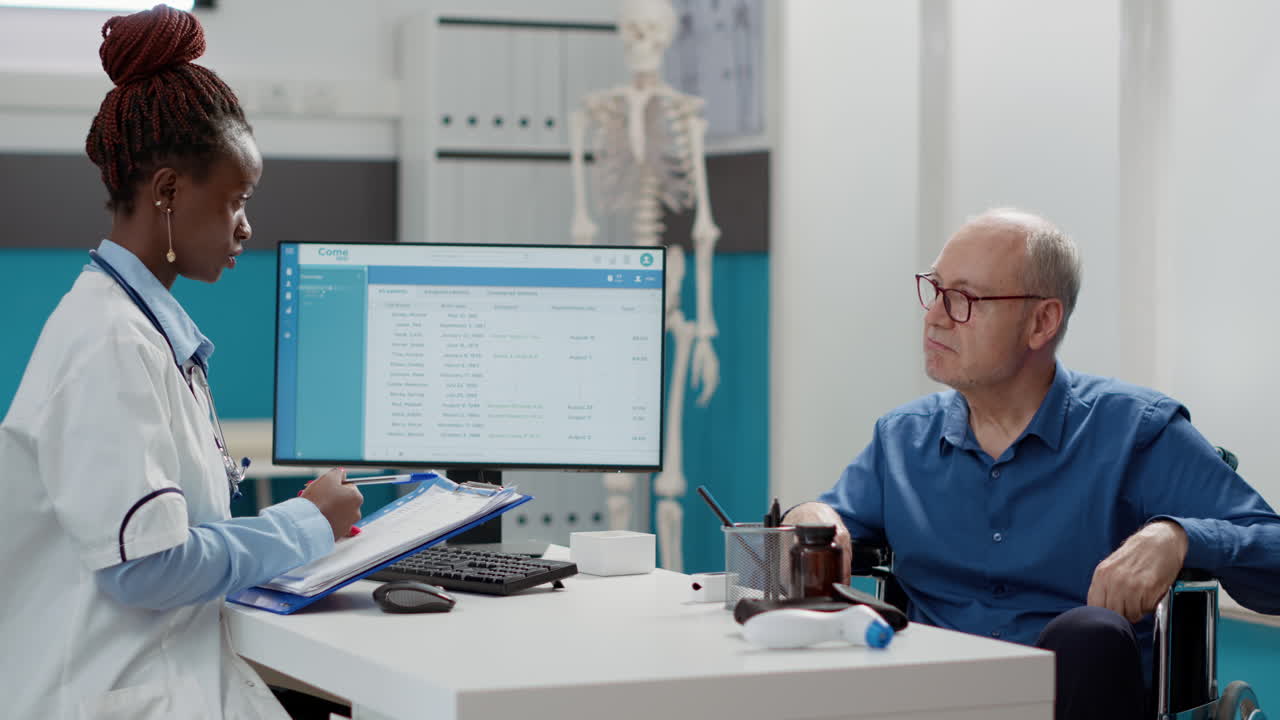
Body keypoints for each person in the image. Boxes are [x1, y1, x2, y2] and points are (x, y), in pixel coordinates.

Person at [0, 6, 363, 718]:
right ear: (168, 192)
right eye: (235, 200)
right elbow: (149, 568)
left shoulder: (141, 332)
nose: (246, 227)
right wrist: (305, 523)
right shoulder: (107, 344)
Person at [784, 208, 1280, 720]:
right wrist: (809, 516)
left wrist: (1178, 536)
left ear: (1042, 321)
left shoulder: (1137, 432)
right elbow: (823, 520)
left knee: (1088, 631)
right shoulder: (902, 439)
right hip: (931, 699)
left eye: (963, 300)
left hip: (1077, 697)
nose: (934, 315)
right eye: (934, 290)